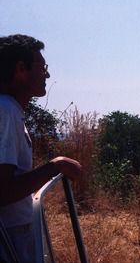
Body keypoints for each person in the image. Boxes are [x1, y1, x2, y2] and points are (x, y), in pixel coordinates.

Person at [0, 34, 82, 262]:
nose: (47, 74)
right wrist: (55, 166)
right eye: (42, 67)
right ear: (20, 69)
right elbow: (3, 191)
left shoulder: (10, 109)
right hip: (12, 237)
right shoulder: (6, 111)